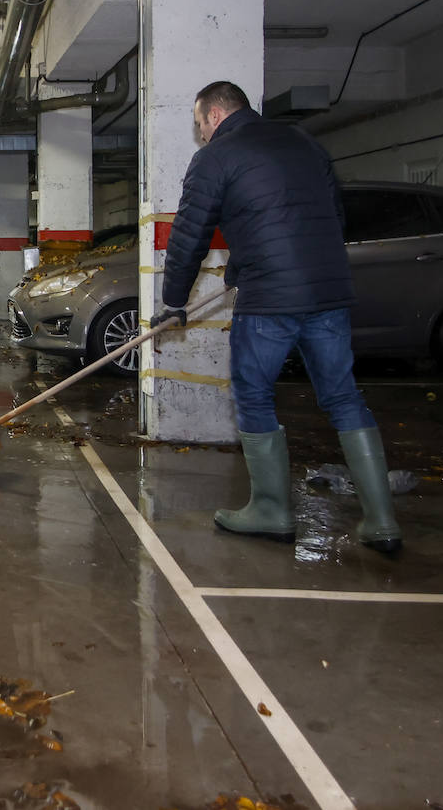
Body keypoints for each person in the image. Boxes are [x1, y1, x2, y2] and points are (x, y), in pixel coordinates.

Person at [157, 80, 400, 553]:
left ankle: (271, 510)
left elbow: (190, 235)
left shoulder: (215, 157)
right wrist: (244, 264)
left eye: (198, 123)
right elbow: (326, 215)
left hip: (271, 299)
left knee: (254, 394)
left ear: (212, 116)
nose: (200, 133)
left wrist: (174, 300)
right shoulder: (304, 142)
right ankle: (383, 520)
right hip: (327, 291)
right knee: (343, 397)